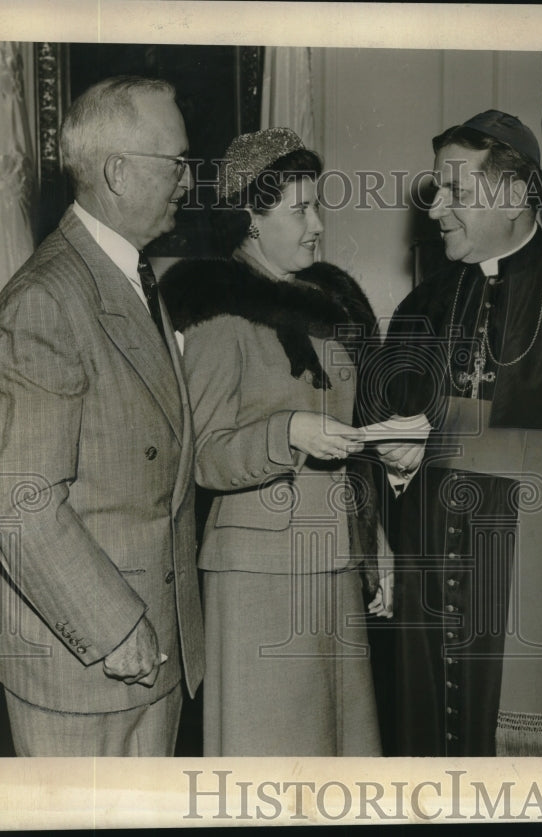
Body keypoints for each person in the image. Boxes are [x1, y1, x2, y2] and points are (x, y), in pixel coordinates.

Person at [369, 110, 542, 756]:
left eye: (456, 191)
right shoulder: (422, 309)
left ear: (516, 194)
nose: (437, 208)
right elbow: (385, 452)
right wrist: (395, 467)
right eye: (436, 190)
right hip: (433, 582)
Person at [0, 76, 204, 756]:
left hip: (149, 657)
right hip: (87, 668)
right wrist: (113, 626)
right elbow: (17, 502)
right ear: (116, 172)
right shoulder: (47, 299)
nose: (189, 181)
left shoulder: (128, 275)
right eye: (177, 163)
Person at [160, 128, 384, 756]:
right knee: (273, 761)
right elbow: (200, 455)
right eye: (299, 210)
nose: (317, 225)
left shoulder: (323, 306)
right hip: (258, 575)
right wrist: (286, 432)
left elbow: (344, 447)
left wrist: (373, 541)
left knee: (338, 758)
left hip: (333, 560)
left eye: (318, 207)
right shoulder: (218, 312)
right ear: (252, 222)